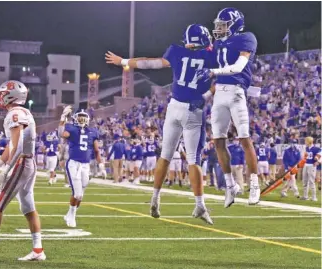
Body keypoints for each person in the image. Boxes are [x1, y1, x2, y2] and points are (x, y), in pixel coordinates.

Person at [106, 23, 214, 225]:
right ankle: (199, 204)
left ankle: (155, 198)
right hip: (193, 110)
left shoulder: (176, 51)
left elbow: (150, 63)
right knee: (193, 159)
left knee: (165, 156)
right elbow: (221, 80)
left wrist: (124, 61)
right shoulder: (212, 56)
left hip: (174, 107)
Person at [196, 7, 260, 207]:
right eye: (218, 25)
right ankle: (231, 186)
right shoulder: (218, 44)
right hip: (220, 94)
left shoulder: (246, 38)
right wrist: (205, 95)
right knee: (218, 142)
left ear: (234, 25)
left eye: (223, 25)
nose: (220, 29)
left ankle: (254, 184)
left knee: (244, 138)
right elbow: (216, 77)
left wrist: (212, 71)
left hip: (236, 92)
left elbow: (238, 67)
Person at [0, 80, 45, 261]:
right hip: (27, 162)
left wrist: (7, 169)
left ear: (12, 96)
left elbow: (18, 146)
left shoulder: (15, 114)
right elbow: (13, 145)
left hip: (21, 163)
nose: (0, 97)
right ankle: (38, 250)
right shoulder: (22, 112)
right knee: (27, 206)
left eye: (3, 94)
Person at [58, 108, 102, 227]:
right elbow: (61, 134)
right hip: (73, 163)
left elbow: (97, 150)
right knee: (77, 194)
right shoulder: (71, 128)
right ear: (75, 119)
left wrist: (101, 165)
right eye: (80, 117)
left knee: (80, 194)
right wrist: (62, 119)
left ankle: (69, 213)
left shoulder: (93, 131)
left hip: (85, 165)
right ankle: (72, 216)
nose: (82, 119)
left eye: (84, 117)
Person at [301, 137, 320, 201]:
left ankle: (314, 197)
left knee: (311, 181)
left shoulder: (316, 149)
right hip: (305, 165)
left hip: (312, 166)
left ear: (309, 141)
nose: (305, 142)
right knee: (304, 181)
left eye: (306, 141)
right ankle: (305, 196)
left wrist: (318, 162)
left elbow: (320, 155)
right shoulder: (306, 148)